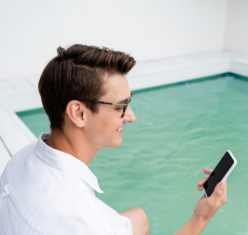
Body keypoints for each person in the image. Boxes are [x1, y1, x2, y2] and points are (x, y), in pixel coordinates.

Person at [0, 44, 228, 235]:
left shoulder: (22, 158)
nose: (131, 117)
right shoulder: (85, 223)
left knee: (139, 217)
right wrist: (201, 217)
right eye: (121, 107)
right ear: (78, 113)